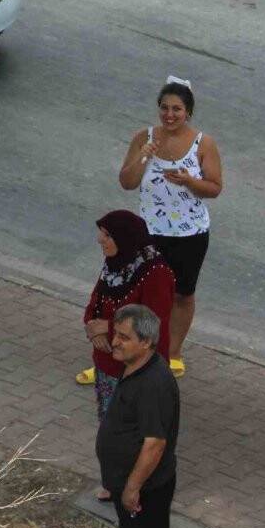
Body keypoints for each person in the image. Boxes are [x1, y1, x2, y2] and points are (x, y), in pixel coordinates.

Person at [118, 75, 223, 378]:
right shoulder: (144, 138)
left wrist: (190, 181)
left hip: (189, 233)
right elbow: (126, 182)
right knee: (139, 292)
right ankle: (136, 348)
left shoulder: (204, 144)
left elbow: (214, 188)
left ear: (188, 111)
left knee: (182, 294)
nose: (169, 115)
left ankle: (173, 352)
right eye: (164, 108)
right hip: (149, 231)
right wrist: (142, 157)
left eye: (177, 109)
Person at [95, 304, 180, 528]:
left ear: (146, 342)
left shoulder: (154, 384)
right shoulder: (136, 368)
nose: (115, 342)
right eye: (116, 334)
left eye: (124, 337)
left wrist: (131, 487)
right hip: (126, 484)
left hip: (145, 488)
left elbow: (155, 443)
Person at [77, 210, 175, 500]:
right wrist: (93, 329)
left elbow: (152, 324)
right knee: (111, 426)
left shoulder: (155, 273)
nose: (100, 240)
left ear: (125, 238)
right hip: (108, 364)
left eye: (106, 235)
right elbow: (95, 302)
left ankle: (137, 483)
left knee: (137, 429)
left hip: (138, 370)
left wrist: (106, 329)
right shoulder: (115, 265)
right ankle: (114, 479)